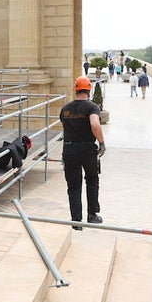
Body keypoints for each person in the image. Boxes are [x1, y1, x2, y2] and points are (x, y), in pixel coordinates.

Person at [60, 76, 106, 230]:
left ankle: (76, 221)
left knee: (73, 186)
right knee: (92, 180)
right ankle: (92, 215)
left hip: (69, 149)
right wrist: (101, 142)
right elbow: (94, 123)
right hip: (87, 149)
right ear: (89, 89)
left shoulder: (65, 109)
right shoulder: (92, 107)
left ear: (76, 89)